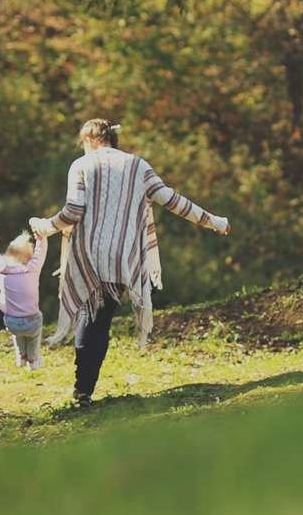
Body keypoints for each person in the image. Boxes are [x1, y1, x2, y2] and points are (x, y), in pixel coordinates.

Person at [31, 119, 230, 406]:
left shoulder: (81, 165)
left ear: (88, 139)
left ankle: (82, 388)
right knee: (100, 320)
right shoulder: (139, 166)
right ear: (112, 139)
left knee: (89, 317)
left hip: (89, 254)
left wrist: (45, 226)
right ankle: (83, 388)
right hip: (122, 258)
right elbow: (172, 200)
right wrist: (214, 221)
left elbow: (73, 211)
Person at [0, 227, 53, 370]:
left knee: (17, 331)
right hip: (32, 322)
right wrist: (41, 237)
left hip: (12, 323)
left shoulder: (2, 270)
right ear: (28, 257)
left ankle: (21, 356)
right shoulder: (32, 269)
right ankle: (33, 359)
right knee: (35, 330)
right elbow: (41, 252)